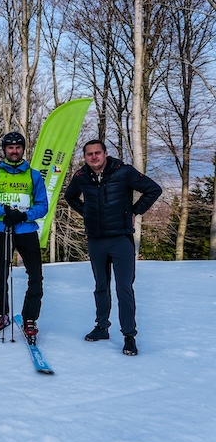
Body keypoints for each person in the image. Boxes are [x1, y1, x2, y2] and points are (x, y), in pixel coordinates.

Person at [64, 139, 162, 356]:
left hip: (120, 238)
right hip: (96, 239)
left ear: (105, 153)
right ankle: (101, 327)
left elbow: (154, 190)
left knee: (124, 288)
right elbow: (69, 197)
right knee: (100, 285)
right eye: (89, 154)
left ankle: (129, 336)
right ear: (85, 157)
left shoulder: (123, 172)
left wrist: (134, 211)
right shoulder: (81, 177)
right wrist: (87, 213)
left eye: (97, 153)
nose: (94, 157)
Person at [0, 132, 49, 343]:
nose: (14, 151)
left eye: (18, 147)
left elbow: (43, 205)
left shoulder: (33, 175)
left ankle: (30, 318)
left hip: (26, 231)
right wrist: (5, 212)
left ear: (23, 149)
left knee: (35, 276)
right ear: (4, 150)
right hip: (3, 230)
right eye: (10, 148)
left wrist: (24, 215)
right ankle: (0, 313)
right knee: (1, 275)